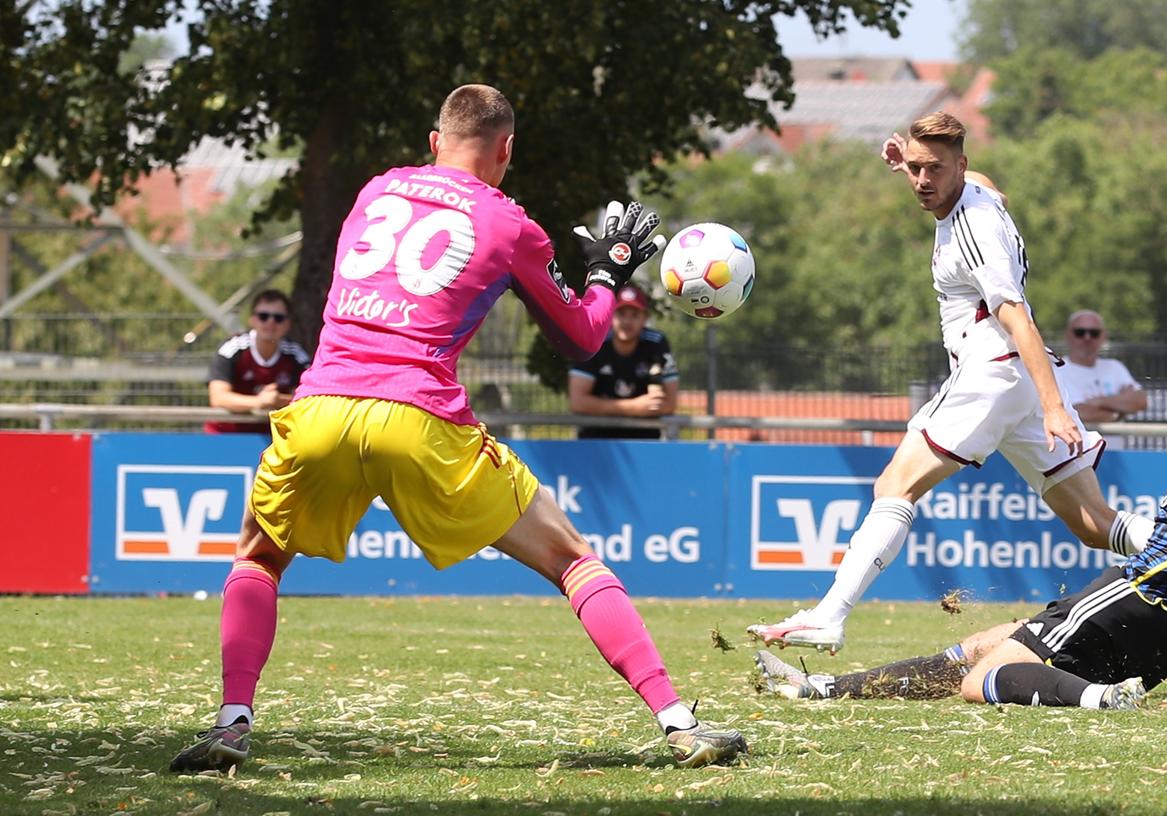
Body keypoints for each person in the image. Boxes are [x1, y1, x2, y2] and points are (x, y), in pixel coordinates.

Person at [169, 84, 746, 774]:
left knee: (258, 559)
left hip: (320, 408)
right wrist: (606, 272)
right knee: (572, 559)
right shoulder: (510, 225)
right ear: (505, 151)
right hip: (418, 417)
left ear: (435, 141)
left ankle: (233, 723)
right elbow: (583, 340)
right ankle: (680, 724)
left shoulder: (374, 191)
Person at [746, 113, 1153, 656]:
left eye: (934, 169)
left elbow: (1017, 317)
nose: (921, 180)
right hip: (1021, 380)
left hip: (993, 368)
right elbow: (989, 185)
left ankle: (829, 616)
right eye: (914, 168)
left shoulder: (975, 228)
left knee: (895, 486)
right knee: (1096, 525)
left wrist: (1056, 407)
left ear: (960, 165)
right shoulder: (981, 194)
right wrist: (917, 161)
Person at [755, 306, 1167, 710]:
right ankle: (822, 687)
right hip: (1166, 635)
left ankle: (1099, 699)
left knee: (978, 681)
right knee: (983, 644)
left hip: (1138, 600)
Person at [568, 282, 679, 439]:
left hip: (644, 444)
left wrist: (601, 406)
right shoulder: (593, 342)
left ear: (645, 318)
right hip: (595, 443)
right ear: (610, 315)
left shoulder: (657, 343)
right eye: (621, 313)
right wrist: (635, 407)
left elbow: (669, 404)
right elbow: (577, 403)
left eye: (634, 314)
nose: (627, 322)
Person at [204, 290, 310, 434]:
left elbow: (308, 400)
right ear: (252, 320)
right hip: (225, 437)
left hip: (274, 442)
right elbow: (218, 397)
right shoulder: (232, 349)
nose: (270, 322)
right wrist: (260, 402)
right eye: (263, 316)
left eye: (278, 318)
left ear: (288, 324)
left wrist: (279, 400)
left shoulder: (297, 355)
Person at [1056, 309, 1147, 426]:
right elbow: (1076, 413)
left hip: (1114, 444)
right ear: (1068, 335)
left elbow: (1140, 401)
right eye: (1080, 332)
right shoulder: (1057, 370)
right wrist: (1118, 413)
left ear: (1103, 336)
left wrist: (1099, 401)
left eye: (1094, 333)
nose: (1087, 338)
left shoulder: (1115, 367)